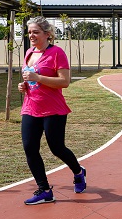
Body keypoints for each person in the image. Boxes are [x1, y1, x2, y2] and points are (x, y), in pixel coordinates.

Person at [18, 16, 86, 205]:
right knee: (29, 148)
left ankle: (78, 172)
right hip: (31, 107)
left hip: (53, 109)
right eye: (30, 32)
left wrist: (38, 78)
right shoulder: (29, 53)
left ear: (47, 34)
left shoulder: (57, 53)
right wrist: (24, 85)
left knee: (57, 148)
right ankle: (45, 190)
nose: (31, 35)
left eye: (36, 32)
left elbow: (64, 82)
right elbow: (30, 78)